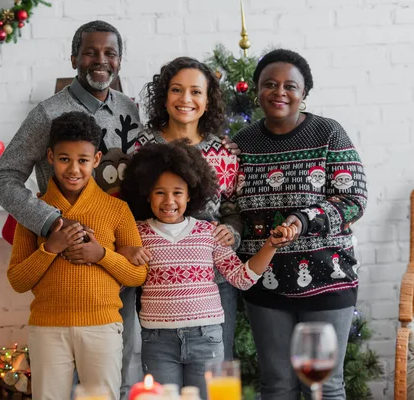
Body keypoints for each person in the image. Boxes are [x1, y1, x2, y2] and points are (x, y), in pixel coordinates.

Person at [0, 21, 142, 398]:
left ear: (120, 60)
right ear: (74, 58)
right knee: (59, 381)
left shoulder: (131, 109)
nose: (100, 60)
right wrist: (50, 221)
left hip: (115, 253)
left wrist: (136, 238)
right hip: (65, 261)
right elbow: (3, 177)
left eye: (109, 53)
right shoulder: (48, 114)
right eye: (90, 52)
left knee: (117, 369)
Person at [232, 49, 368, 399]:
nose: (280, 92)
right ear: (257, 91)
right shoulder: (241, 144)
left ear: (304, 92)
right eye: (269, 84)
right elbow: (229, 206)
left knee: (324, 384)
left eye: (290, 85)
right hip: (265, 283)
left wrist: (303, 220)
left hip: (328, 277)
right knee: (277, 384)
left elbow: (353, 199)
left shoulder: (328, 133)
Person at [119, 141, 294, 398]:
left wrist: (270, 246)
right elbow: (117, 266)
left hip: (207, 338)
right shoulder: (136, 232)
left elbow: (241, 278)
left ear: (190, 194)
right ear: (147, 194)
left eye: (177, 192)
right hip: (157, 341)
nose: (169, 201)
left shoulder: (208, 232)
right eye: (160, 193)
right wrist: (126, 251)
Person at [7, 111, 148, 400]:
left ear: (96, 160)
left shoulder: (117, 210)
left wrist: (101, 255)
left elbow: (137, 274)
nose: (73, 169)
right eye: (64, 159)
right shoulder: (33, 213)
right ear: (49, 156)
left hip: (102, 327)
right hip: (47, 329)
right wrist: (51, 248)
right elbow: (18, 280)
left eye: (83, 160)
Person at [133, 56, 242, 360]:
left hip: (215, 284)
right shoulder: (142, 148)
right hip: (159, 284)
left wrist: (231, 231)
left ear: (208, 101)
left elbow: (233, 207)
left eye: (196, 91)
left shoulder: (224, 152)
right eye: (176, 90)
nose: (186, 99)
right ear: (164, 97)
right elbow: (129, 208)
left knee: (215, 376)